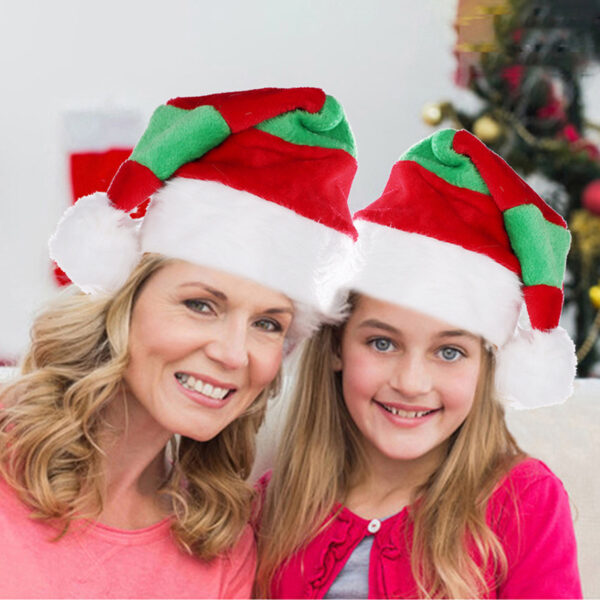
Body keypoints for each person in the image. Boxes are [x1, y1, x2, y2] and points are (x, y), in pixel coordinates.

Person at [0, 87, 358, 598]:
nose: (234, 354)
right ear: (125, 299)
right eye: (200, 305)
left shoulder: (219, 548)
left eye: (269, 323)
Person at [256, 128, 582, 598]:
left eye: (449, 352)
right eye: (382, 344)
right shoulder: (273, 503)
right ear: (335, 348)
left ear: (485, 367)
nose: (411, 383)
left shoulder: (522, 501)